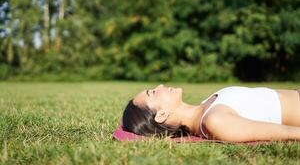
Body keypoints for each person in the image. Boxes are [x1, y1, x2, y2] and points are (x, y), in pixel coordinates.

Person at [122, 84, 300, 142]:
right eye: (152, 93)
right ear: (161, 115)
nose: (159, 86)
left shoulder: (205, 106)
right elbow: (286, 132)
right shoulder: (215, 121)